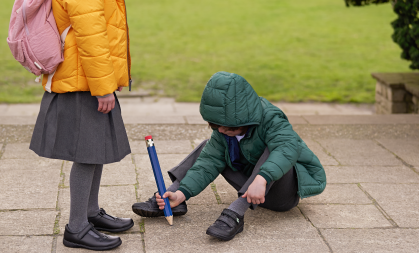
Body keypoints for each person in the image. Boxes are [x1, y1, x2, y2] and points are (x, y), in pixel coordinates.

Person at [29, 0, 151, 251]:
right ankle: (77, 228)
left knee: (95, 150)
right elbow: (91, 37)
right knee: (87, 153)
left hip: (88, 79)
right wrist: (103, 88)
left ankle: (91, 211)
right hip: (84, 83)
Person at [132, 72, 327, 241]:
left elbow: (287, 148)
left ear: (245, 117)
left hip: (280, 193)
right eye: (217, 126)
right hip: (251, 185)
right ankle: (173, 198)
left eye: (229, 128)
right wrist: (182, 192)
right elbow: (208, 163)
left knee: (273, 150)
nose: (223, 131)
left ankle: (235, 213)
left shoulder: (271, 117)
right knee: (210, 149)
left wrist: (262, 178)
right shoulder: (224, 128)